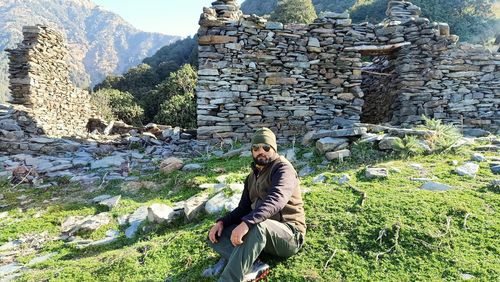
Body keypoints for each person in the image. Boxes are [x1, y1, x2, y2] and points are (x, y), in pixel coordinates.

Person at [204, 127, 306, 282]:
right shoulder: (251, 177)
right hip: (262, 236)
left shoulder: (283, 169)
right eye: (256, 148)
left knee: (258, 226)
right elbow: (242, 209)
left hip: (289, 234)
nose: (261, 152)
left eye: (266, 147)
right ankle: (254, 266)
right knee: (216, 234)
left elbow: (276, 199)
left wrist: (247, 223)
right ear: (251, 151)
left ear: (273, 149)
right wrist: (222, 222)